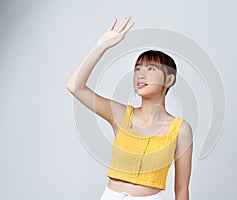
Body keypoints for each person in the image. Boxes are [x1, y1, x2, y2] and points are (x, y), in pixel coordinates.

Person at [66, 17, 193, 200]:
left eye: (151, 69)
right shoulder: (119, 114)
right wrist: (101, 46)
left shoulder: (181, 129)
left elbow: (181, 189)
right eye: (137, 69)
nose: (141, 74)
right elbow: (75, 87)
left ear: (169, 80)